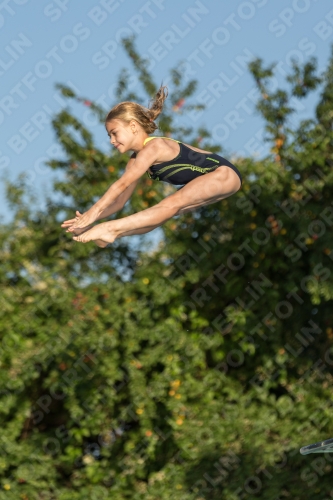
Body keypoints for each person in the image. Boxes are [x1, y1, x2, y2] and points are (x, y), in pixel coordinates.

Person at [61, 85, 242, 248]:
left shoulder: (154, 147)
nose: (111, 141)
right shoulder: (135, 160)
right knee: (163, 214)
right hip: (216, 182)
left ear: (133, 126)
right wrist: (85, 222)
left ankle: (110, 228)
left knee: (170, 204)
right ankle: (112, 233)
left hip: (223, 174)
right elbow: (119, 201)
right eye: (109, 136)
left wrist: (93, 211)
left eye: (114, 133)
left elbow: (121, 184)